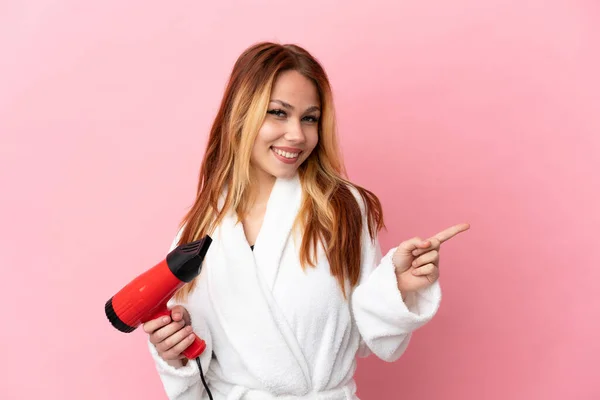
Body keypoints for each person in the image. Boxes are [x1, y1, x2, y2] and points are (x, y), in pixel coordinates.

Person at [142, 41, 469, 400]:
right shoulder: (197, 230)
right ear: (241, 115)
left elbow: (367, 338)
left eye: (309, 118)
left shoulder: (342, 208)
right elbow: (196, 365)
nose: (297, 135)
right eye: (278, 113)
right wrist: (173, 351)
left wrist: (398, 288)